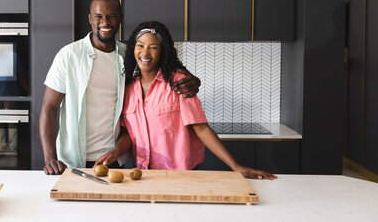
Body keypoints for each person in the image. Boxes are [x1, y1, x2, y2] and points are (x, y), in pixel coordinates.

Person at [39, 0, 200, 175]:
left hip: (114, 160)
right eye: (99, 17)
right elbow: (49, 108)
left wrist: (194, 80)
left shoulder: (128, 56)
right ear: (90, 19)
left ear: (121, 19)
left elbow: (163, 67)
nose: (105, 22)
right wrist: (50, 158)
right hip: (71, 162)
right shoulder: (69, 55)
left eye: (111, 17)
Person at [95, 21, 277, 180]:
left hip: (180, 174)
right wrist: (116, 153)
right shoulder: (127, 88)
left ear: (162, 51)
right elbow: (128, 133)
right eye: (140, 45)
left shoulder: (179, 82)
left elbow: (201, 128)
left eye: (153, 47)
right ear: (133, 48)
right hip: (143, 174)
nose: (145, 53)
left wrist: (236, 167)